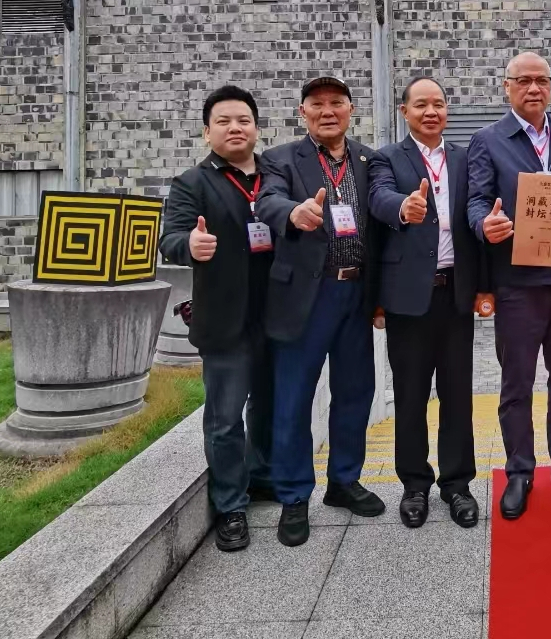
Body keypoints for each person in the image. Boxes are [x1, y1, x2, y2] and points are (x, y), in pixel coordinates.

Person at [466, 52, 551, 520]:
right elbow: (476, 200)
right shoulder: (488, 140)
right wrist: (485, 225)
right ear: (507, 87)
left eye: (542, 80)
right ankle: (520, 470)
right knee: (517, 382)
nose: (534, 88)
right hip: (518, 284)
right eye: (523, 80)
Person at [255, 76, 384, 547]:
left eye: (336, 103)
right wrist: (293, 213)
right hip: (306, 295)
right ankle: (294, 494)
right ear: (303, 112)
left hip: (356, 293)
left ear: (350, 109)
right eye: (317, 104)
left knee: (355, 391)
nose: (327, 111)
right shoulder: (281, 158)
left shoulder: (370, 159)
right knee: (294, 397)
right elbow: (267, 200)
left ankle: (344, 480)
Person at [159, 85, 275, 552]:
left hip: (277, 316)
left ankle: (262, 477)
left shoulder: (276, 173)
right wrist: (190, 245)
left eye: (243, 120)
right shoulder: (193, 183)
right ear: (207, 132)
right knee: (225, 417)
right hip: (226, 321)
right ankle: (230, 504)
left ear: (256, 128)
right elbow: (169, 239)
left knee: (268, 407)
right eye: (223, 121)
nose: (235, 128)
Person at [367, 77, 486, 529]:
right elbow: (378, 197)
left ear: (447, 110)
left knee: (458, 395)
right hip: (407, 298)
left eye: (438, 103)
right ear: (405, 111)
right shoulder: (386, 158)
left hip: (455, 294)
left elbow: (477, 215)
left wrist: (485, 287)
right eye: (421, 105)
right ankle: (414, 484)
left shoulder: (465, 157)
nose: (431, 112)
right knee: (411, 395)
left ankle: (457, 484)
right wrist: (403, 206)